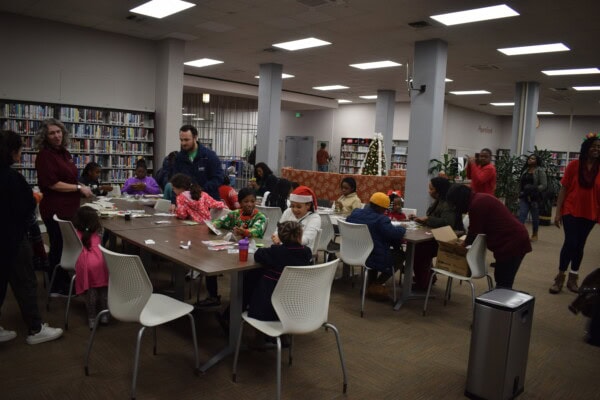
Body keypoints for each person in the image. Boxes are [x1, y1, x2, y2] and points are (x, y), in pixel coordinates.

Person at [0, 130, 63, 344]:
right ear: (12, 152)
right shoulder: (11, 177)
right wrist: (35, 197)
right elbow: (24, 207)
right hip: (12, 238)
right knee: (25, 282)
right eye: (19, 149)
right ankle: (36, 329)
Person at [35, 118, 93, 296]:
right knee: (59, 247)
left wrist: (79, 186)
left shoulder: (64, 153)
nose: (56, 136)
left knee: (64, 246)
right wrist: (78, 187)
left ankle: (62, 280)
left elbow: (68, 178)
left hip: (69, 209)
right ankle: (56, 287)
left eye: (58, 132)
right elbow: (52, 184)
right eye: (52, 133)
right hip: (55, 210)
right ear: (45, 136)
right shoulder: (45, 155)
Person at [446, 184, 531, 289]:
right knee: (502, 278)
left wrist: (461, 245)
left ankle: (501, 303)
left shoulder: (476, 205)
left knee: (504, 281)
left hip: (512, 242)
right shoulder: (479, 198)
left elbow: (474, 232)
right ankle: (500, 300)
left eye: (455, 203)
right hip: (513, 239)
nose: (455, 207)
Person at [550, 133, 600, 294]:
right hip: (571, 210)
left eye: (599, 147)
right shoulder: (573, 166)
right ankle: (560, 276)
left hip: (591, 212)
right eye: (593, 146)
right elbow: (563, 189)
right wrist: (558, 212)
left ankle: (573, 277)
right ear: (586, 148)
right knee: (570, 242)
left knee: (580, 245)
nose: (596, 149)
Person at [244, 221, 312, 321]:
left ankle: (234, 312)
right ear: (300, 235)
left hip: (268, 307)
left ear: (280, 236)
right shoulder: (307, 252)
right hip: (295, 304)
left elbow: (258, 254)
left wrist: (278, 244)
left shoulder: (275, 252)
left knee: (252, 275)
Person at [346, 192, 406, 300]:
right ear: (381, 208)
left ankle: (369, 285)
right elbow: (394, 234)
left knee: (375, 249)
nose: (385, 212)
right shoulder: (381, 220)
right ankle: (376, 284)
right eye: (385, 209)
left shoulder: (355, 213)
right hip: (373, 256)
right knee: (400, 255)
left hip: (355, 252)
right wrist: (402, 227)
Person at [411, 177, 462, 290]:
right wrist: (420, 219)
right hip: (435, 236)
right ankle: (427, 277)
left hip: (445, 241)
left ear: (438, 190)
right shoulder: (439, 202)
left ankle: (423, 283)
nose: (429, 191)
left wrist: (427, 219)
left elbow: (447, 222)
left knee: (419, 251)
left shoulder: (447, 204)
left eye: (431, 189)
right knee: (418, 248)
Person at [72, 207, 109, 329]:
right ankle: (105, 315)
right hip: (100, 263)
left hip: (85, 264)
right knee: (103, 290)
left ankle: (92, 318)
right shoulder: (100, 231)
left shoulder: (75, 233)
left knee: (91, 293)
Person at [166, 124, 223, 201]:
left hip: (208, 202)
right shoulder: (179, 158)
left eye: (186, 140)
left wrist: (200, 190)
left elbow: (218, 178)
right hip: (187, 203)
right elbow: (176, 183)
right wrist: (174, 201)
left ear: (195, 138)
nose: (183, 143)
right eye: (181, 140)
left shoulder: (209, 156)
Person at [272, 185, 321, 251]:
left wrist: (282, 238)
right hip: (283, 249)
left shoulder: (315, 218)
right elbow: (278, 229)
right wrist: (275, 236)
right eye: (292, 206)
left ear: (308, 206)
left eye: (298, 207)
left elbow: (306, 239)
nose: (294, 209)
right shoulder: (288, 212)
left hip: (302, 253)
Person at [517, 154, 547, 242]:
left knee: (535, 217)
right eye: (529, 158)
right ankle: (519, 234)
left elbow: (544, 185)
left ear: (537, 161)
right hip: (524, 196)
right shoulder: (525, 170)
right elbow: (521, 183)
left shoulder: (540, 171)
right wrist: (519, 192)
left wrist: (534, 190)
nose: (530, 160)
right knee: (522, 215)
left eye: (533, 158)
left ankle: (535, 234)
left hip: (535, 197)